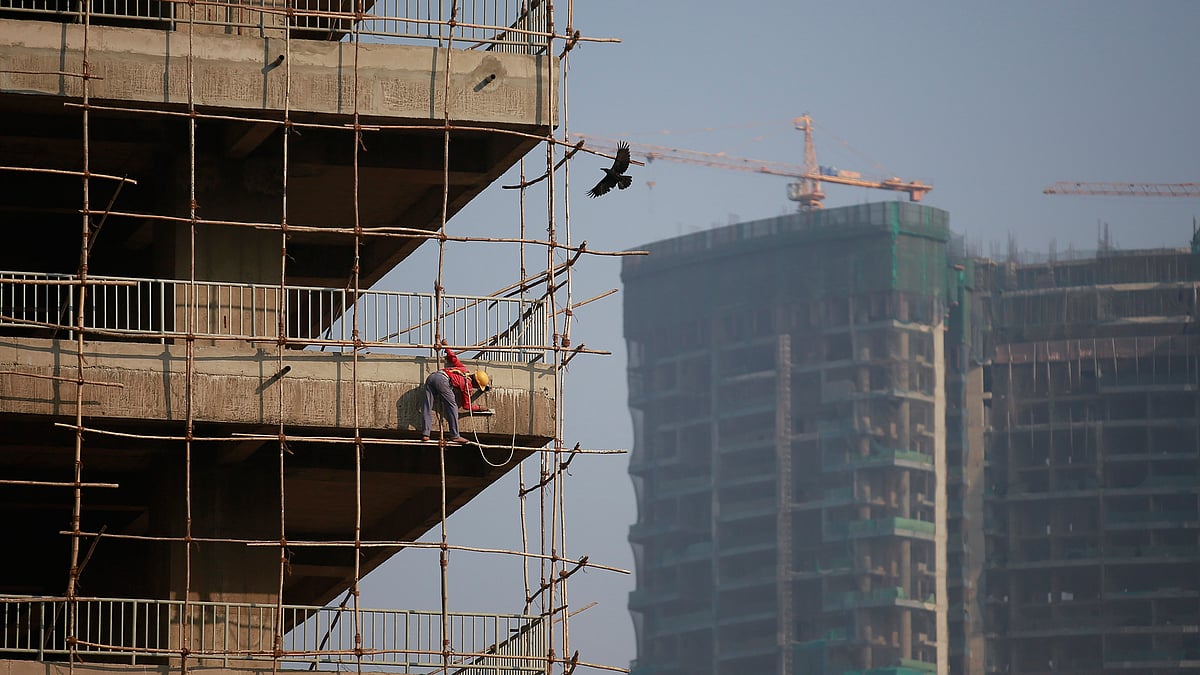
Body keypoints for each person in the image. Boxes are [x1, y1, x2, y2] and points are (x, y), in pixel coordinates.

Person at [421, 339, 491, 443]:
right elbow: (466, 406)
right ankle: (455, 435)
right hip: (443, 381)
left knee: (427, 405)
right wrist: (480, 408)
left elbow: (452, 358)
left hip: (432, 377)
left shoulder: (463, 369)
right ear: (476, 383)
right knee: (452, 407)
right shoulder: (468, 385)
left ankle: (426, 434)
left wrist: (446, 346)